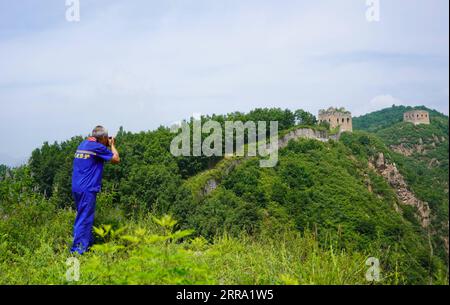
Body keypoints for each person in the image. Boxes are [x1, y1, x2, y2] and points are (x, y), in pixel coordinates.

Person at [70, 125, 120, 254]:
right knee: (84, 219)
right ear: (103, 138)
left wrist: (105, 145)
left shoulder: (83, 144)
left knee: (84, 217)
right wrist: (112, 145)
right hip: (87, 189)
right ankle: (77, 252)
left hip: (77, 187)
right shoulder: (98, 147)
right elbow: (116, 159)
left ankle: (88, 247)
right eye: (106, 138)